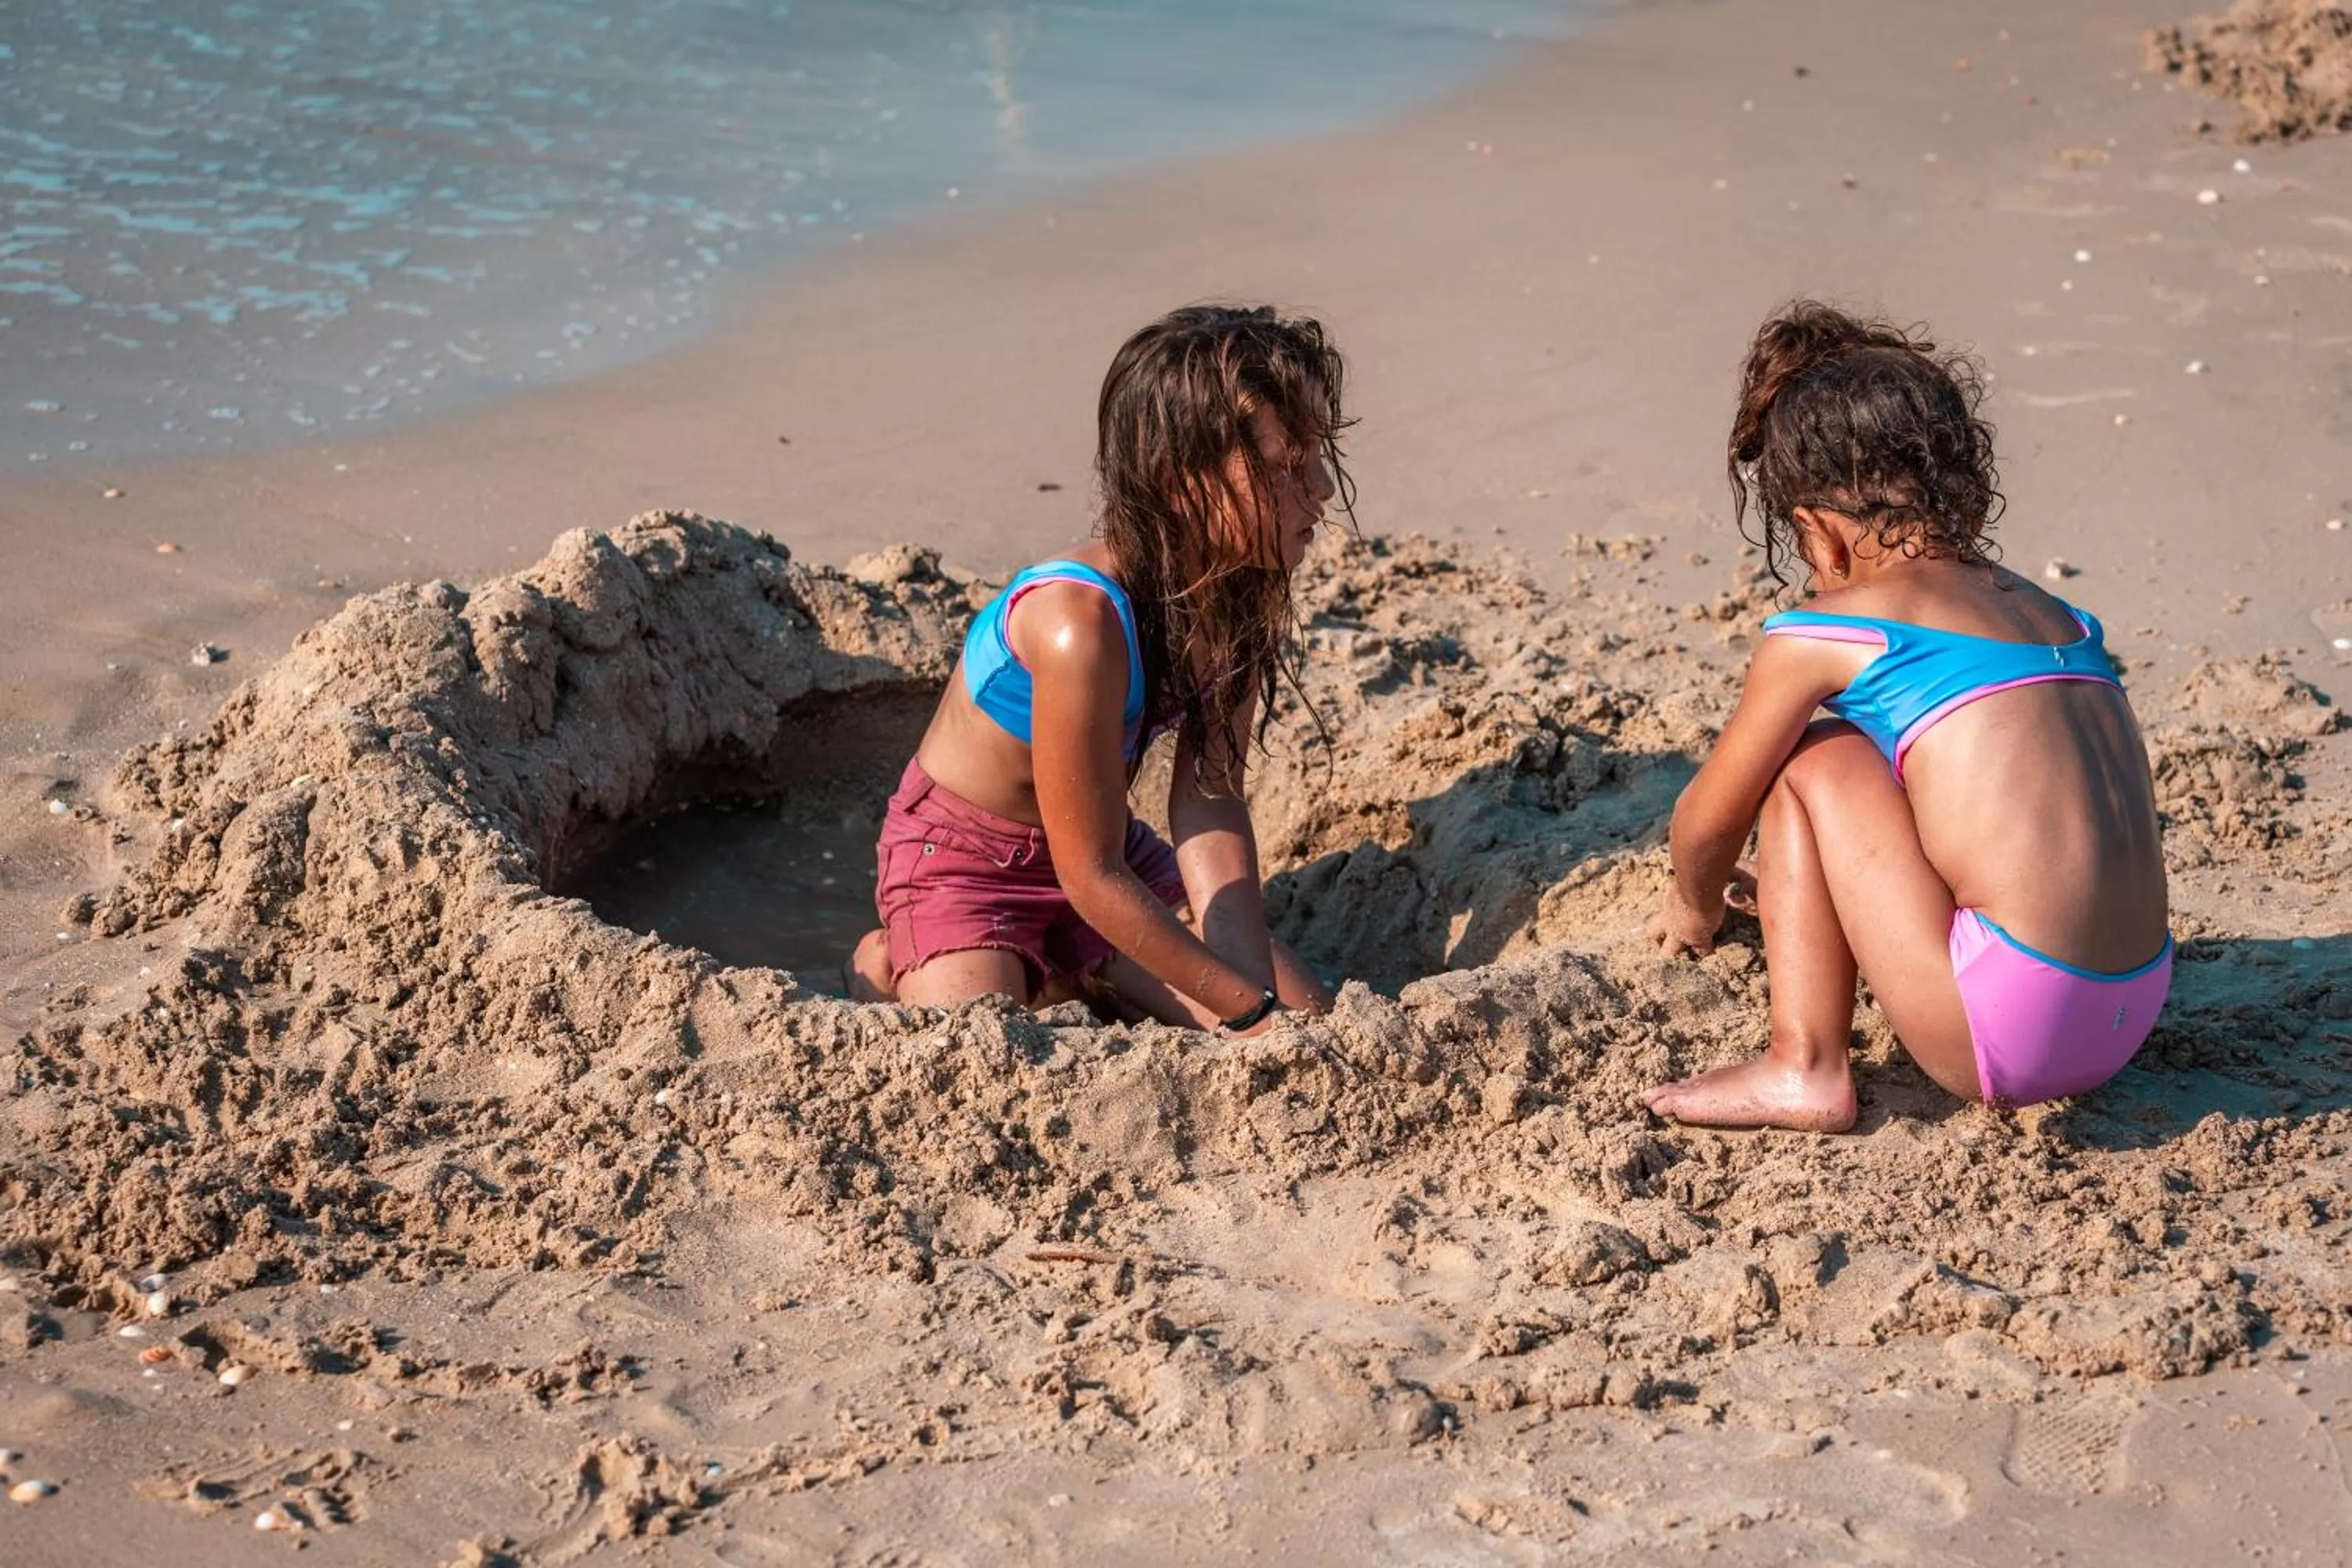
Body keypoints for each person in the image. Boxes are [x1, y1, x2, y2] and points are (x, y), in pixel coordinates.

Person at [1642, 301, 2172, 1130]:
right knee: (1895, 754)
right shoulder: (2059, 617)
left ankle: (1804, 1065)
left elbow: (1705, 821)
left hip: (2013, 1032)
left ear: (1820, 534)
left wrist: (1696, 903)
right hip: (2134, 1008)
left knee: (1810, 756)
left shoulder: (1829, 632)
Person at [845, 304, 1343, 1033]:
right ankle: (888, 961)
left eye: (1318, 455)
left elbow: (1211, 795)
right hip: (962, 860)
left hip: (1101, 847)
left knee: (1312, 1019)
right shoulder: (1080, 623)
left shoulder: (1244, 580)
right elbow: (1091, 878)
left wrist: (1255, 1004)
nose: (1324, 487)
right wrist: (1243, 1013)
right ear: (1182, 483)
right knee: (984, 1055)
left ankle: (1075, 966)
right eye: (1286, 467)